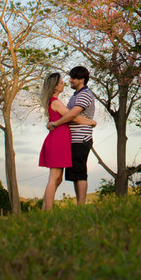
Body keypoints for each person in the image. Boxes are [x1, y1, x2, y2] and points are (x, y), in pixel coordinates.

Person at [37, 71, 95, 211]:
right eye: (62, 82)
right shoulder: (56, 102)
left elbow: (68, 116)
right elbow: (72, 117)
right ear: (55, 86)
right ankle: (47, 211)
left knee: (57, 178)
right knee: (55, 177)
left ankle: (45, 208)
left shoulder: (57, 101)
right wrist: (91, 122)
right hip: (58, 139)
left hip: (62, 139)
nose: (65, 83)